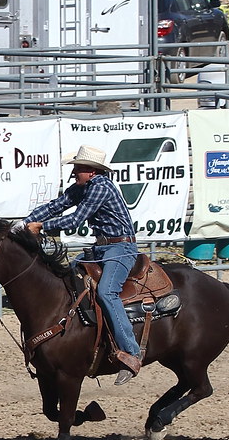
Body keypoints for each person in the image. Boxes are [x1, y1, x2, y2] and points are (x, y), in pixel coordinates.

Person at [22, 145, 142, 385]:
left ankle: (131, 352)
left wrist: (42, 227)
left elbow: (76, 219)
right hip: (102, 248)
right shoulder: (84, 187)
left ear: (92, 171)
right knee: (68, 279)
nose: (74, 172)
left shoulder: (100, 187)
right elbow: (57, 205)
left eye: (78, 168)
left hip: (121, 248)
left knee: (108, 292)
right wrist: (26, 222)